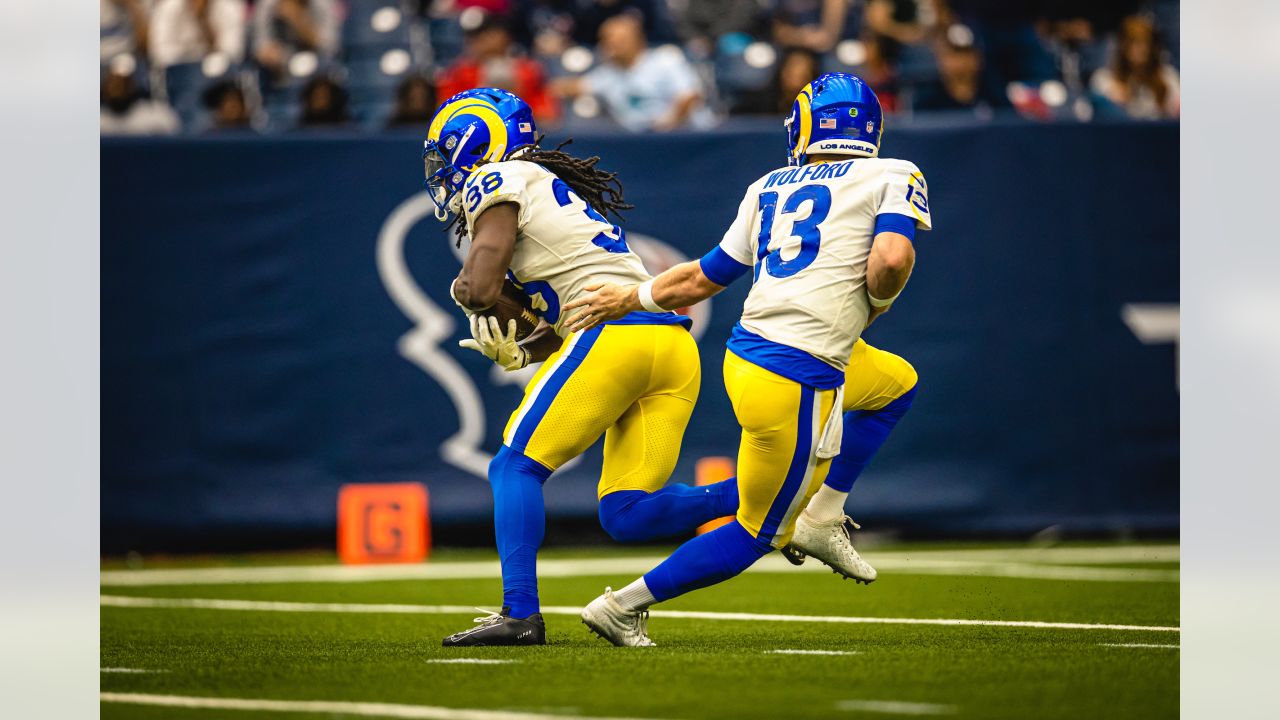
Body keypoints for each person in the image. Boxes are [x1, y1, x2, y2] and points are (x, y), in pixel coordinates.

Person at [562, 72, 929, 646]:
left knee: (895, 385)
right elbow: (890, 255)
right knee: (758, 533)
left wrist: (628, 297)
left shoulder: (770, 185)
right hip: (800, 372)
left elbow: (702, 277)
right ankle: (621, 606)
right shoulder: (893, 173)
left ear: (806, 125)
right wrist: (878, 301)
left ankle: (825, 515)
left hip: (752, 354)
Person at [427, 89, 734, 646]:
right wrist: (520, 349)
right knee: (628, 514)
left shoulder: (495, 180)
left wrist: (464, 291)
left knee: (513, 468)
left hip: (616, 339)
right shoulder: (543, 188)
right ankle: (781, 490)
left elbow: (477, 285)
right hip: (668, 346)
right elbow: (556, 334)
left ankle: (520, 614)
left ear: (471, 142)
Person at [553, 13, 712, 132]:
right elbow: (571, 87)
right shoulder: (607, 74)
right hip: (642, 142)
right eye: (607, 40)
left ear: (637, 39)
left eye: (620, 40)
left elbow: (690, 96)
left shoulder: (666, 59)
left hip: (687, 137)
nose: (612, 45)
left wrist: (667, 124)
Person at [435, 12, 559, 124]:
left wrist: (515, 107)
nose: (477, 41)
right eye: (472, 37)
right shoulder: (459, 73)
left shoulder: (529, 70)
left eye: (485, 34)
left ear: (503, 35)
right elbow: (444, 116)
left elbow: (547, 115)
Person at [1090, 15, 1178, 120]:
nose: (1141, 48)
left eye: (1146, 42)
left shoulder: (1168, 77)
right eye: (1134, 42)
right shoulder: (1104, 79)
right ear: (1122, 45)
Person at [252, 0, 340, 78]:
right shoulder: (268, 3)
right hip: (280, 65)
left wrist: (296, 19)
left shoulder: (323, 3)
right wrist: (268, 52)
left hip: (317, 64)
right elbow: (259, 45)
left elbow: (330, 47)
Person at [149, 0, 247, 68]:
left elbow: (233, 52)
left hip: (217, 76)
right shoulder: (168, 8)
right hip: (180, 73)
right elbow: (160, 54)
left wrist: (202, 19)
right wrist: (194, 55)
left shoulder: (228, 7)